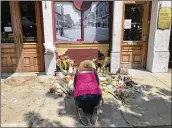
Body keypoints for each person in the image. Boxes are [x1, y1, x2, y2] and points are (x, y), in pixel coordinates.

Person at [73, 60, 102, 126]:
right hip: (95, 98)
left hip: (81, 99)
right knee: (98, 92)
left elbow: (74, 85)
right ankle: (96, 108)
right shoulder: (93, 71)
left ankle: (80, 109)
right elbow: (98, 83)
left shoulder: (78, 71)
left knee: (75, 93)